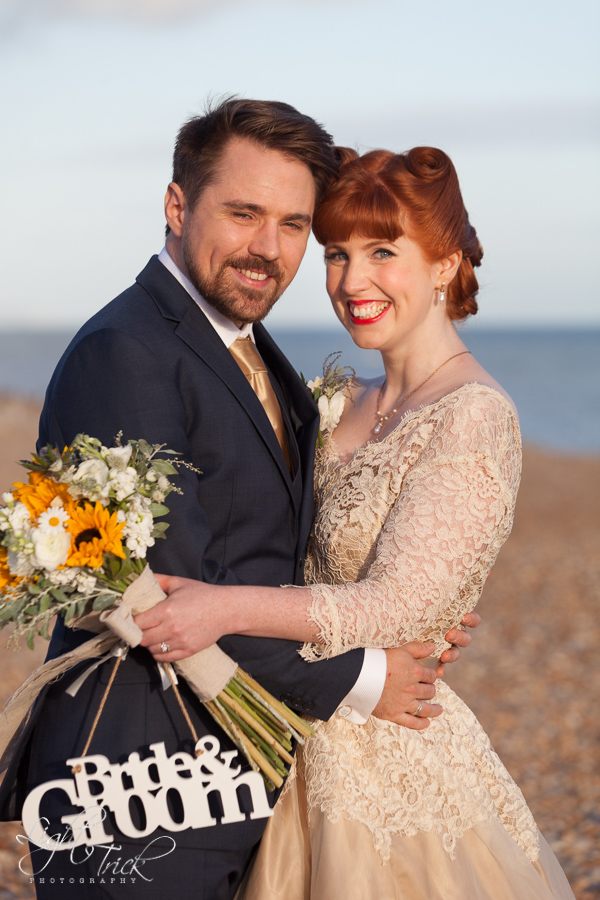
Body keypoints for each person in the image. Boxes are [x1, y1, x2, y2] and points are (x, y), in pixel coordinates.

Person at [0, 102, 476, 900]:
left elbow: (277, 550)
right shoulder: (128, 351)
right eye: (244, 213)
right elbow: (174, 595)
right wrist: (364, 677)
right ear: (177, 206)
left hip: (238, 769)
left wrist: (411, 602)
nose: (268, 249)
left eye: (294, 224)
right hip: (135, 777)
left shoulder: (252, 349)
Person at [141, 146, 575, 898]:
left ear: (444, 264)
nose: (351, 281)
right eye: (337, 254)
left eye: (382, 252)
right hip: (285, 721)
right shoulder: (337, 400)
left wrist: (218, 607)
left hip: (386, 745)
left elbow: (396, 606)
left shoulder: (474, 416)